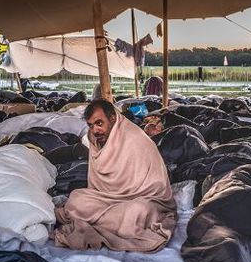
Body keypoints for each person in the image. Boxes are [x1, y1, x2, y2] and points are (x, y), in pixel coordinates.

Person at [54, 100, 177, 252]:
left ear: (113, 118)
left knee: (137, 211)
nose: (95, 130)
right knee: (76, 199)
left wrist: (121, 197)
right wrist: (110, 197)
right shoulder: (96, 138)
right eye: (91, 125)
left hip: (140, 197)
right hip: (107, 197)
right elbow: (99, 183)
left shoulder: (134, 138)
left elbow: (153, 186)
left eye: (99, 123)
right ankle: (111, 220)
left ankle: (106, 220)